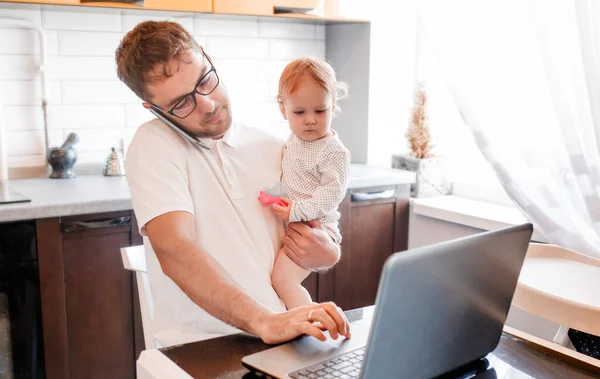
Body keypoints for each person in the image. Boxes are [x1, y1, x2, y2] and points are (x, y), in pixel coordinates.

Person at [114, 20, 351, 347]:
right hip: (206, 347)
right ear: (154, 110)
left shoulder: (273, 147)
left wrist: (326, 252)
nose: (207, 104)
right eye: (182, 103)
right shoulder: (154, 144)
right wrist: (265, 321)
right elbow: (175, 250)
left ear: (208, 59)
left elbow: (302, 233)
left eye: (205, 81)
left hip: (285, 333)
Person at [264, 58, 350, 310]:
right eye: (300, 112)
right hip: (296, 223)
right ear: (283, 110)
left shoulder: (334, 151)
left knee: (283, 281)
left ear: (333, 106)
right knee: (276, 281)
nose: (310, 120)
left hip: (318, 228)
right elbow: (289, 177)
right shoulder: (295, 139)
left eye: (320, 111)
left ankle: (309, 323)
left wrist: (296, 211)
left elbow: (331, 194)